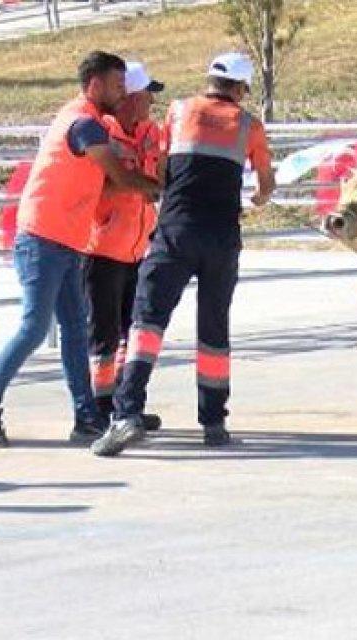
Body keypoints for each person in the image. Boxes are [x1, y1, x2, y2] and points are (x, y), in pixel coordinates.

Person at [0, 51, 159, 449]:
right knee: (35, 327)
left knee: (73, 330)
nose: (124, 94)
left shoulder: (94, 121)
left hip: (67, 241)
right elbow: (118, 177)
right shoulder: (83, 124)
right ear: (95, 86)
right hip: (42, 239)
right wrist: (162, 187)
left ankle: (86, 418)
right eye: (118, 86)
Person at [92, 52, 275, 457]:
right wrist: (259, 197)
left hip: (175, 233)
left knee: (147, 322)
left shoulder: (178, 111)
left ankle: (126, 415)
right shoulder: (249, 125)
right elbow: (265, 184)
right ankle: (213, 422)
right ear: (242, 88)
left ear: (210, 81)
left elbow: (159, 170)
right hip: (222, 239)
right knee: (214, 330)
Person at [81, 62, 166, 436]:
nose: (152, 100)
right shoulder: (104, 136)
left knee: (133, 332)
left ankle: (126, 405)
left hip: (138, 249)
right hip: (101, 248)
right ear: (130, 96)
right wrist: (137, 185)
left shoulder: (152, 133)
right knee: (104, 335)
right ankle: (100, 408)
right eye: (148, 93)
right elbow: (95, 189)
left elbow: (161, 175)